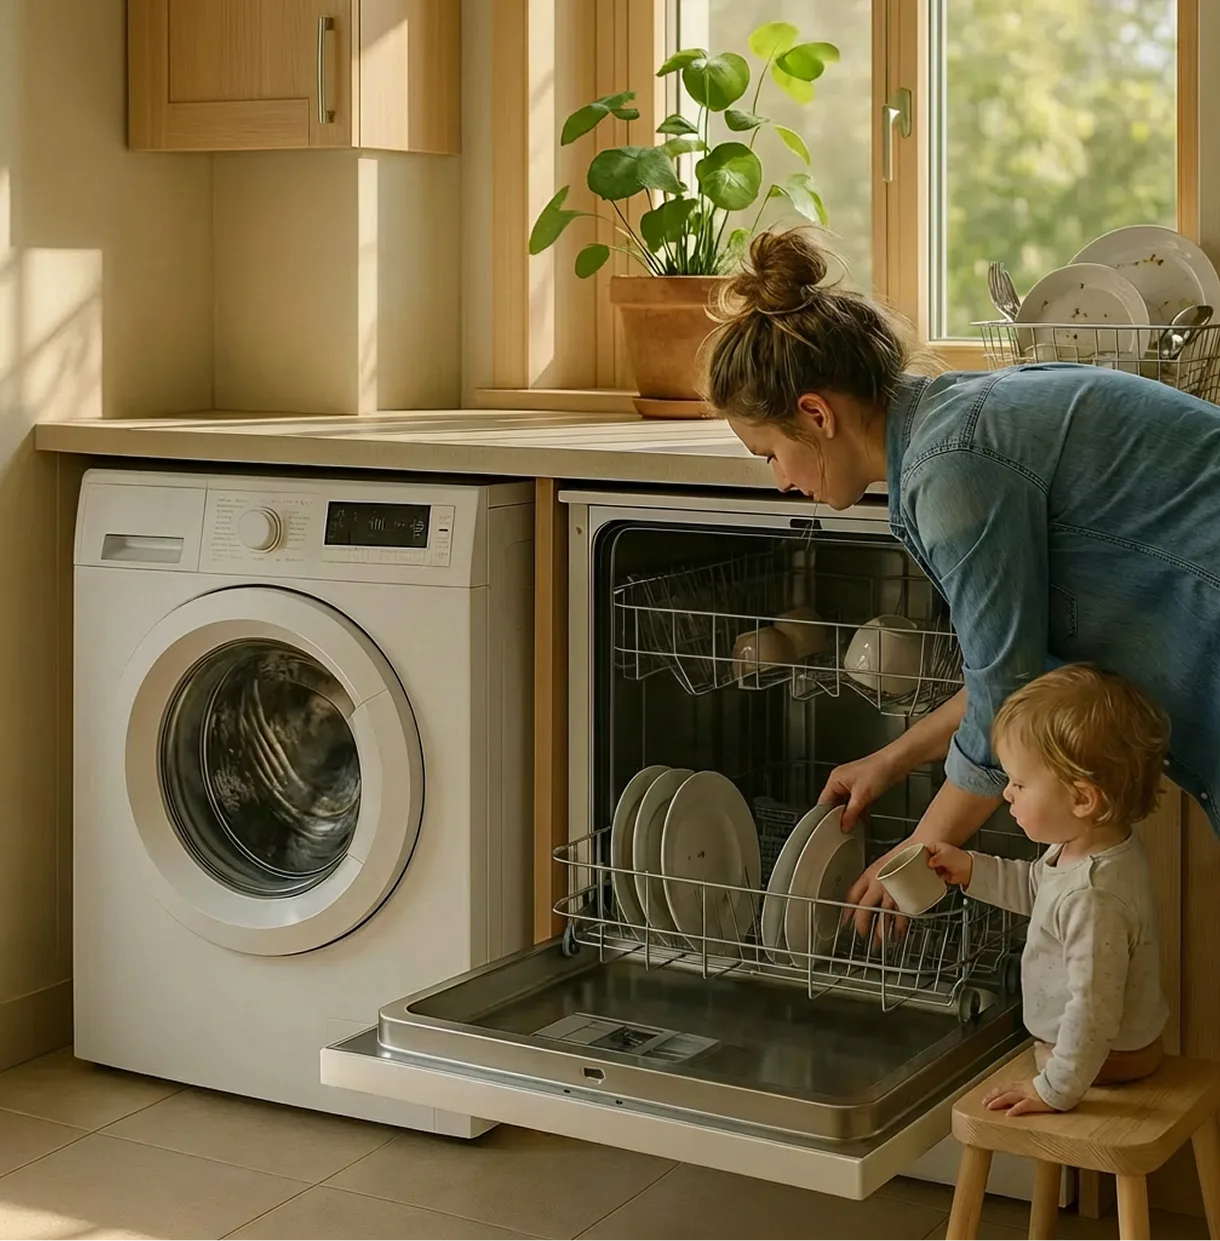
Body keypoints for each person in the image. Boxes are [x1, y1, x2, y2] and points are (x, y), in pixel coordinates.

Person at [705, 226, 1220, 934]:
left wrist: (916, 855)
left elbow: (1005, 684)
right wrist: (891, 758)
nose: (781, 481)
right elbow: (1011, 666)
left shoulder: (952, 470)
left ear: (816, 415)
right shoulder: (951, 428)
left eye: (769, 454)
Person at [927, 664, 1168, 1115]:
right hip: (1105, 1045)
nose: (1007, 795)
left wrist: (1053, 1088)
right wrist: (972, 870)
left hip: (1110, 1055)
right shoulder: (1085, 847)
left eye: (1019, 783)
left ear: (1082, 798)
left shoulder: (1094, 896)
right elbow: (1040, 888)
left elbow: (1093, 1013)